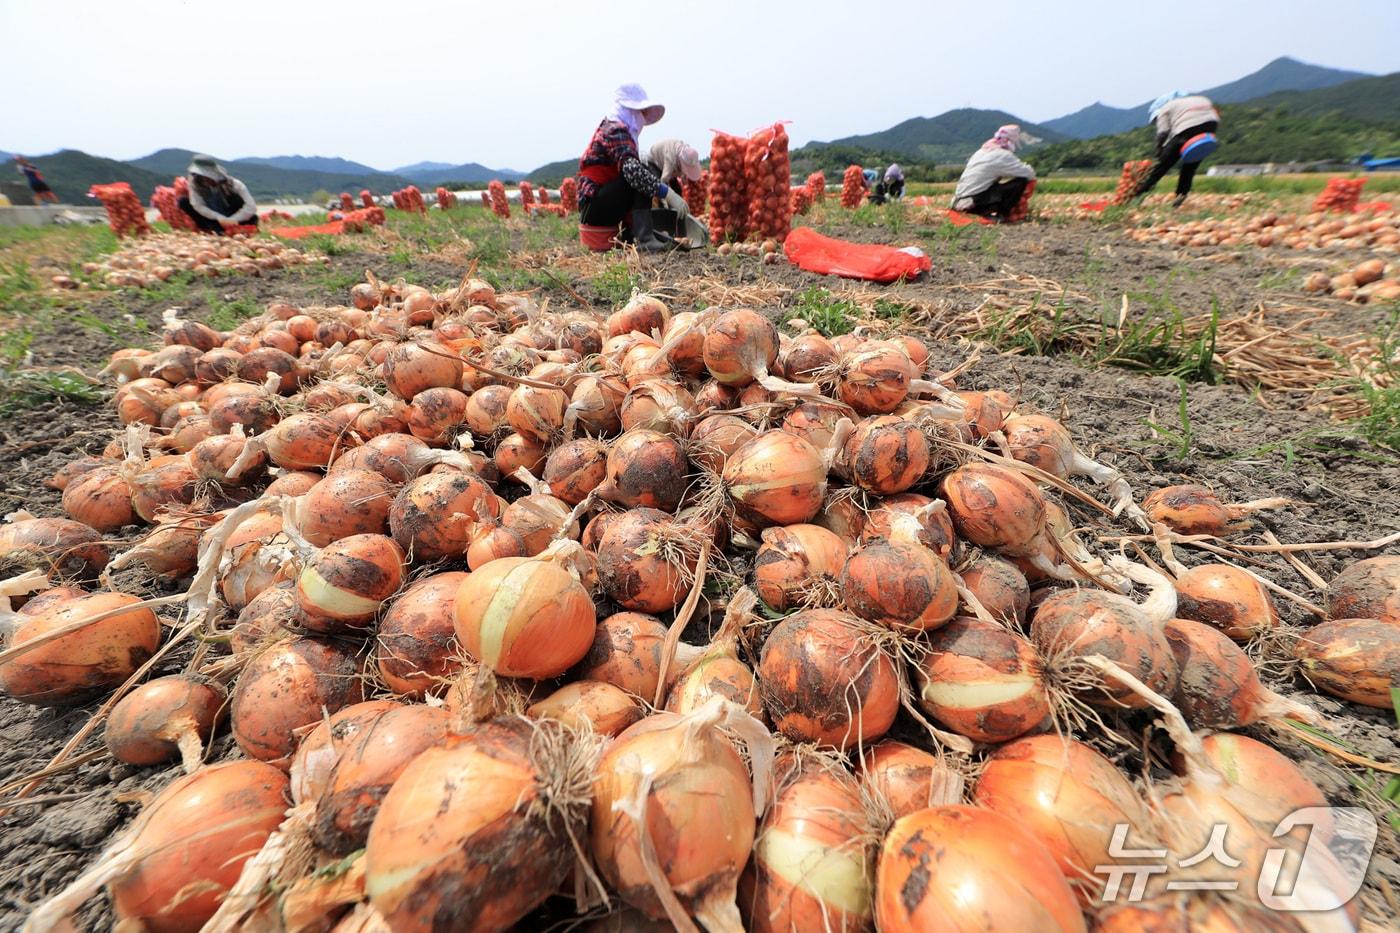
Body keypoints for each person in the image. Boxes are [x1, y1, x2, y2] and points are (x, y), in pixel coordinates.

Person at [577, 84, 689, 251]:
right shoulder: (615, 130)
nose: (643, 118)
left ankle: (633, 237)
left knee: (641, 173)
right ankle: (644, 239)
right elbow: (633, 172)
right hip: (594, 207)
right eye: (641, 112)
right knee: (641, 173)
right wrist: (668, 193)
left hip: (600, 205)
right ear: (630, 111)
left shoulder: (620, 129)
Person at [1133, 91, 1220, 207]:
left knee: (1161, 166)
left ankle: (1137, 196)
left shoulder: (1165, 108)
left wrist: (1160, 151)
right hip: (1210, 127)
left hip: (1187, 128)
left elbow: (1163, 133)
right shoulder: (1198, 99)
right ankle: (1180, 197)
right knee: (1190, 165)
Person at [951, 124, 1037, 221]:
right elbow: (1029, 173)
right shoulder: (1002, 155)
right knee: (1021, 182)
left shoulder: (982, 151)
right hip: (972, 204)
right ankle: (1003, 215)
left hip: (958, 202)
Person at [179, 155, 258, 234]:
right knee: (183, 202)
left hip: (234, 216)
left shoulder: (234, 184)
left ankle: (236, 227)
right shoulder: (196, 185)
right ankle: (213, 228)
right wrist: (218, 217)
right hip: (214, 219)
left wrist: (234, 219)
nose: (204, 178)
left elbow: (251, 206)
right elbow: (198, 205)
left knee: (236, 199)